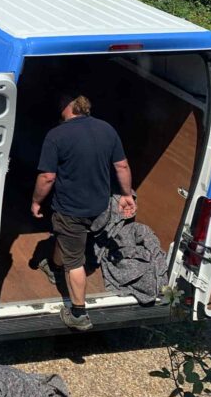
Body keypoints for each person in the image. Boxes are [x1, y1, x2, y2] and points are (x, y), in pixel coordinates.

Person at [31, 94, 136, 331]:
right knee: (67, 239)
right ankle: (54, 265)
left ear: (67, 108)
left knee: (75, 261)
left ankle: (78, 313)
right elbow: (122, 165)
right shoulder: (107, 129)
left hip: (71, 209)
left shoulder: (56, 135)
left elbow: (47, 176)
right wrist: (127, 194)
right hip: (99, 206)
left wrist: (36, 201)